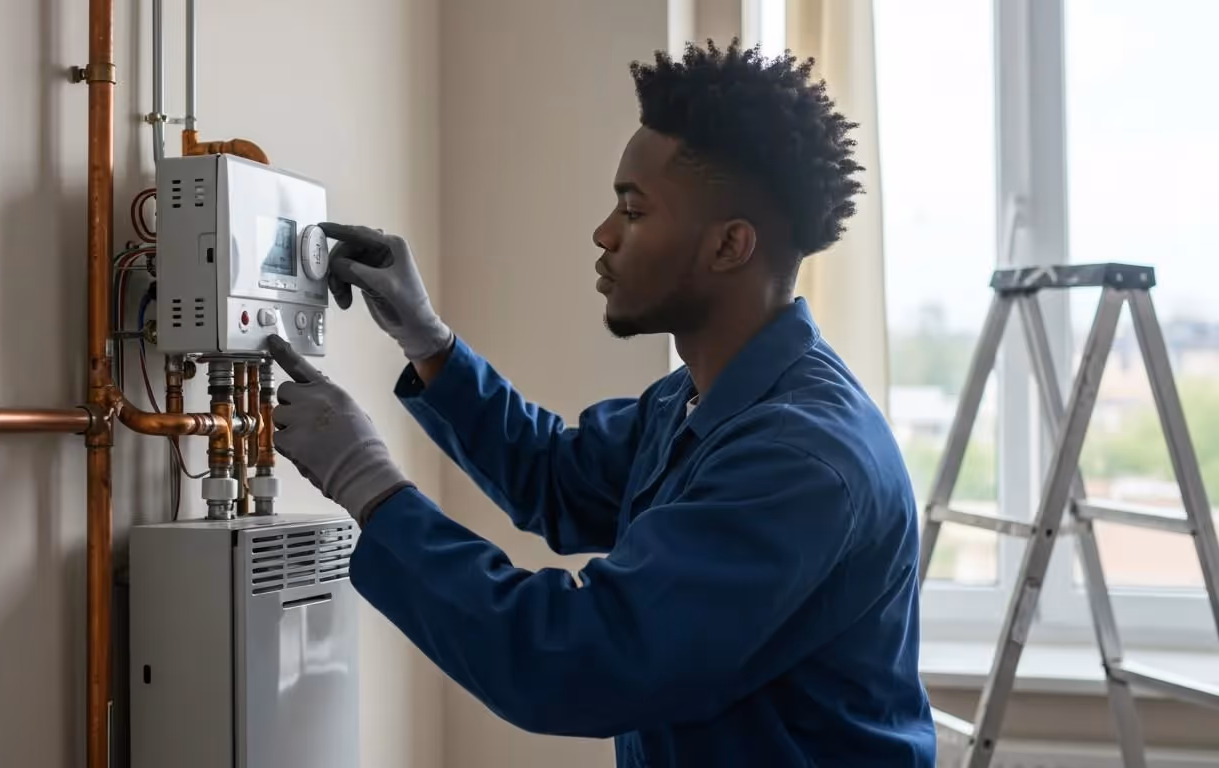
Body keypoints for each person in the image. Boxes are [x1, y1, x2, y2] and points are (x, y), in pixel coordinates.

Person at [265, 39, 935, 767]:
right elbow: (557, 478)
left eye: (633, 210)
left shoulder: (800, 460)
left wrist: (369, 484)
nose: (604, 234)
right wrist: (430, 343)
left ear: (728, 246)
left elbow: (582, 660)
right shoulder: (699, 398)